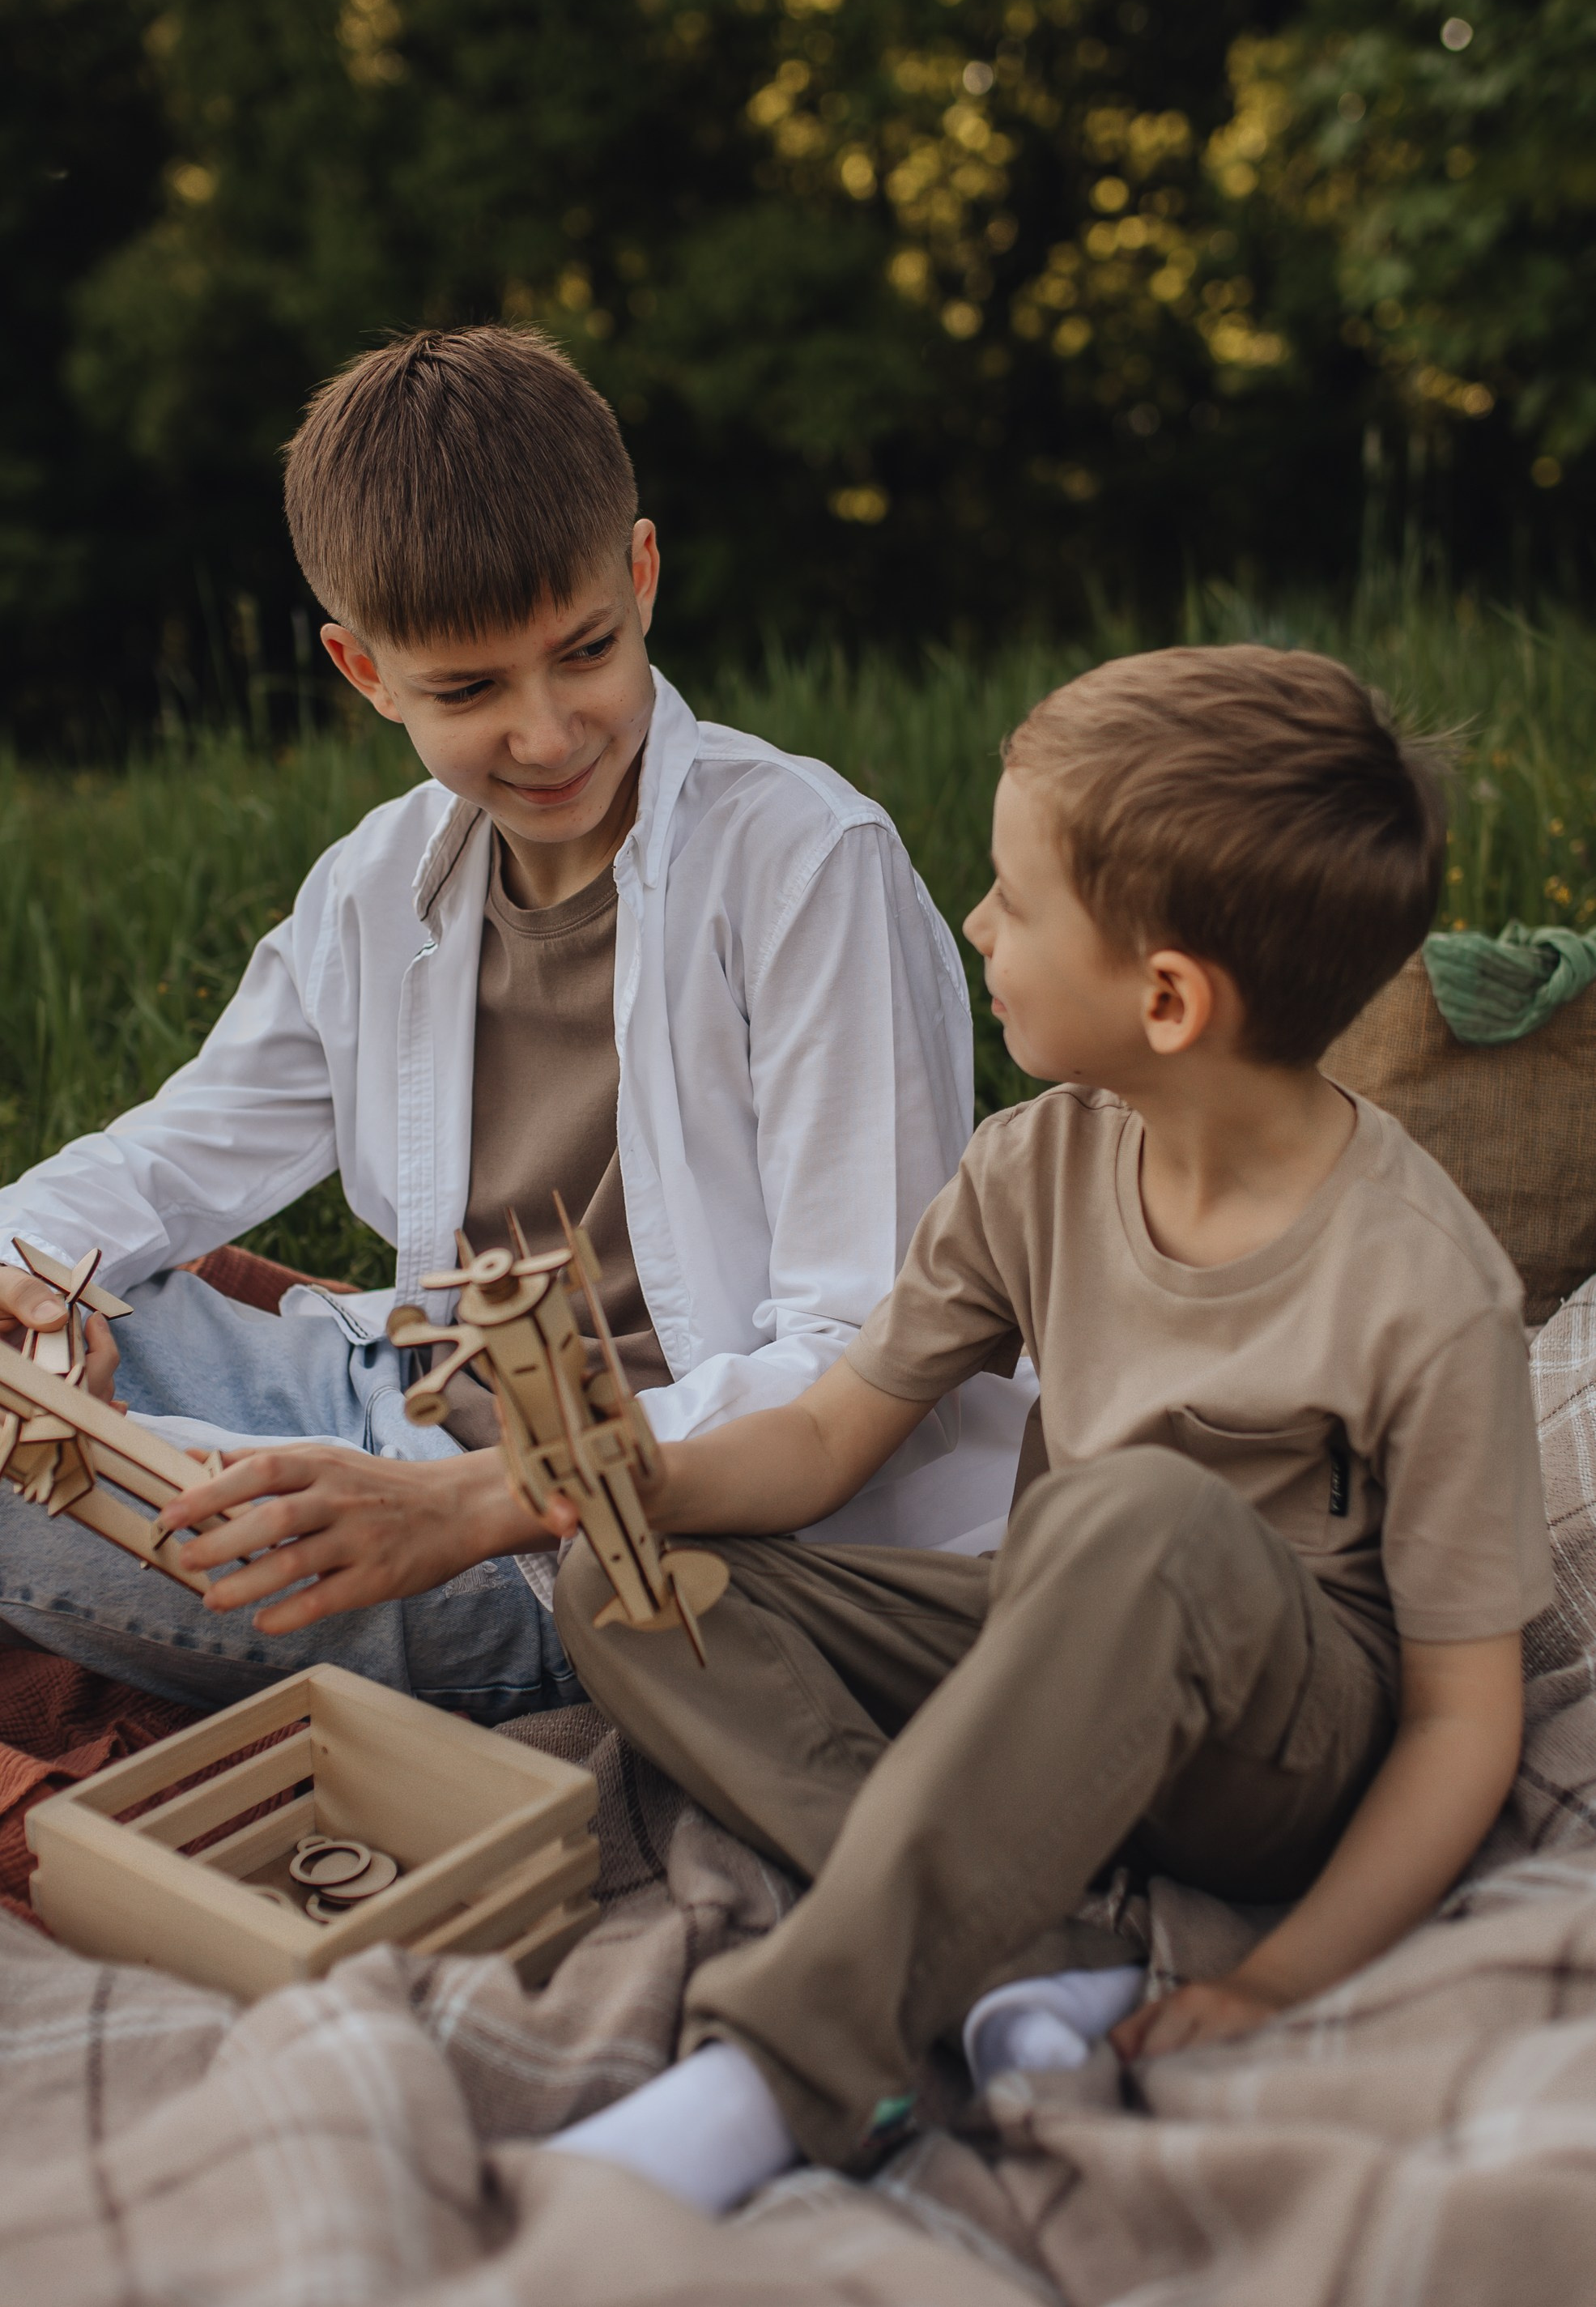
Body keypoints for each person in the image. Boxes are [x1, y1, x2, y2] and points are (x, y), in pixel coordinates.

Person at [0, 326, 1026, 1726]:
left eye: (584, 654)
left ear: (642, 574)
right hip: (388, 1401)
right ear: (364, 671)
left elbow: (867, 1357)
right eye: (469, 690)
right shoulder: (380, 887)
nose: (550, 734)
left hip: (590, 1551)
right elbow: (173, 1155)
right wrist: (18, 1270)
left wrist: (468, 1497)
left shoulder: (808, 866)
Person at [540, 644, 1551, 2212]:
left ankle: (795, 2057)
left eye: (1013, 900)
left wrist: (1277, 1983)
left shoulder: (1427, 1291)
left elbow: (1459, 1724)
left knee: (1126, 1512)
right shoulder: (1031, 1166)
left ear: (1164, 996)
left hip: (1274, 1753)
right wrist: (648, 1477)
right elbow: (821, 1443)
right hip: (1048, 1648)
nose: (975, 923)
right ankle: (1033, 1947)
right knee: (630, 1580)